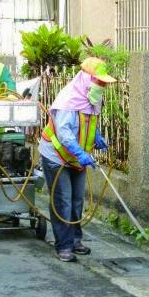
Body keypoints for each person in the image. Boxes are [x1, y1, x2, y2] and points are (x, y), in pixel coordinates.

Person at [39, 57, 115, 262]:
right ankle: (63, 245)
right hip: (57, 156)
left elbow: (89, 119)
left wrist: (96, 136)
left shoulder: (92, 97)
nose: (102, 86)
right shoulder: (68, 101)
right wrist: (81, 153)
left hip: (77, 158)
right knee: (63, 200)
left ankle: (75, 240)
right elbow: (64, 134)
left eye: (104, 83)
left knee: (76, 200)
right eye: (98, 81)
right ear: (86, 79)